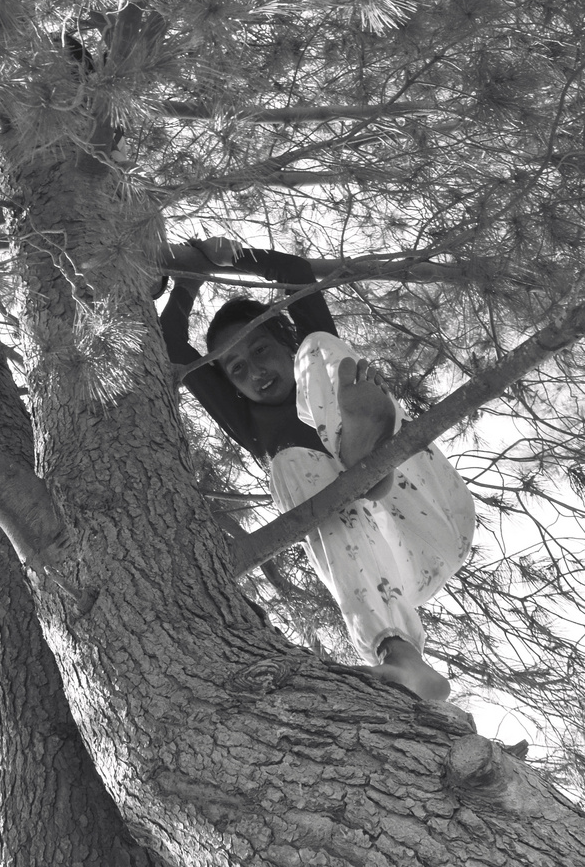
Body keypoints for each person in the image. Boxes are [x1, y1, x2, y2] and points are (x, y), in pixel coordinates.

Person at [158, 237, 475, 700]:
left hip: (429, 512)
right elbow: (171, 342)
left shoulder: (308, 356)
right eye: (236, 369)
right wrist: (188, 280)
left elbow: (298, 274)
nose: (255, 372)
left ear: (279, 341)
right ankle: (402, 657)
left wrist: (227, 258)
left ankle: (364, 449)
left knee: (320, 347)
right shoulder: (248, 424)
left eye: (262, 351)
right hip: (390, 565)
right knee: (289, 464)